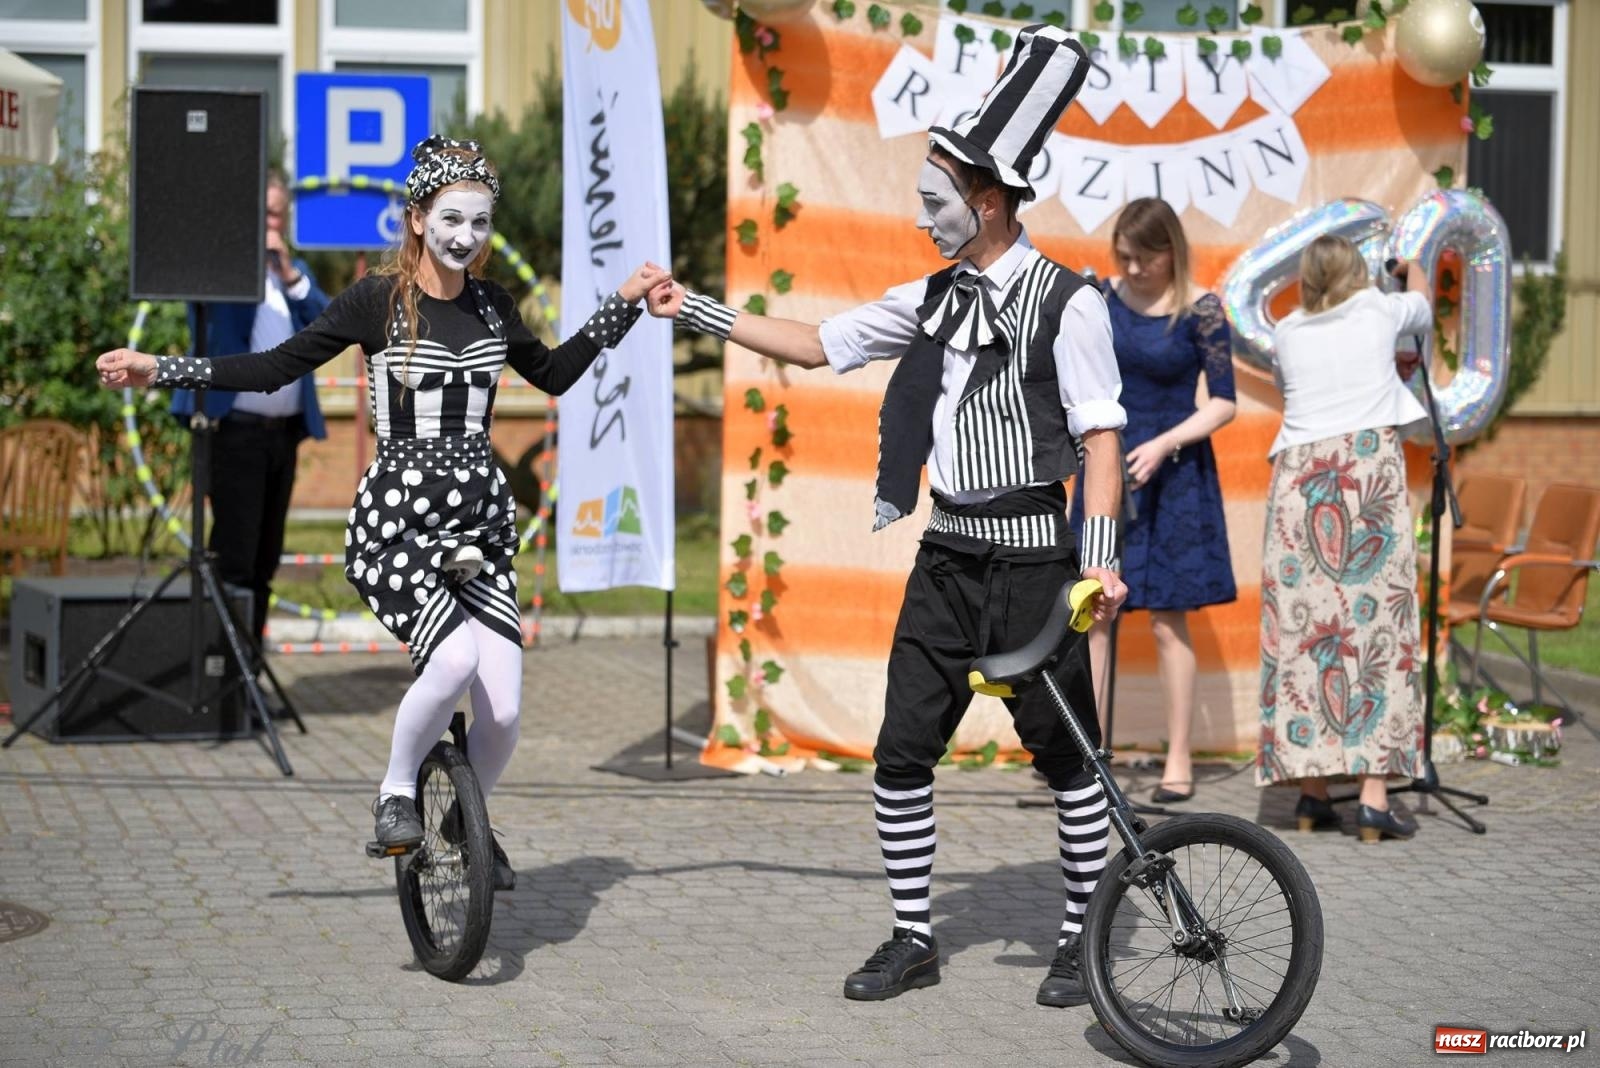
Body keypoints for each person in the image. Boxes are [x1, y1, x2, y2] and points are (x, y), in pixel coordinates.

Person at [650, 25, 1128, 1008]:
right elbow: (817, 345)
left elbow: (1106, 440)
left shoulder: (1068, 304)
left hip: (1036, 566)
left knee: (1066, 758)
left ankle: (1082, 932)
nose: (922, 214)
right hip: (947, 558)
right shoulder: (929, 296)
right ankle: (913, 934)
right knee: (902, 752)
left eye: (936, 196)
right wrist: (689, 307)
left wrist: (1102, 567)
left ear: (986, 200)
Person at [98, 136, 672, 887]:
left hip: (477, 528)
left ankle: (467, 821)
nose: (466, 236)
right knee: (455, 659)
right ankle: (394, 792)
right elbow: (275, 366)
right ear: (416, 218)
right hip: (397, 526)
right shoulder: (376, 301)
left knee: (503, 714)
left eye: (480, 222)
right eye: (451, 218)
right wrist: (160, 368)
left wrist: (624, 305)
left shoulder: (495, 304)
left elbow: (556, 373)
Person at [1255, 234, 1432, 843]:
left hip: (1301, 477)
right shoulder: (1383, 309)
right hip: (1363, 468)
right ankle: (1375, 799)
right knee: (1376, 632)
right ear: (1359, 272)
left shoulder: (1286, 330)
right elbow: (1424, 305)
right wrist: (1409, 272)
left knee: (1308, 635)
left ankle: (1311, 793)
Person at [1072, 198, 1237, 804]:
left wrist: (1166, 442)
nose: (1134, 268)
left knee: (1170, 621)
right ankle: (1087, 759)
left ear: (1173, 251)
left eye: (1146, 257)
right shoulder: (1099, 299)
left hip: (1176, 479)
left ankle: (1178, 761)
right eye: (1125, 257)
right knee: (1093, 615)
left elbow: (1224, 400)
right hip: (1105, 471)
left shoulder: (1203, 311)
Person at [169, 167, 330, 648]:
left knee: (266, 558)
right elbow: (199, 311)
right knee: (235, 555)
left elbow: (328, 322)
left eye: (278, 214)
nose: (271, 224)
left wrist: (289, 273)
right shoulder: (222, 269)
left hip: (281, 437)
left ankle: (250, 668)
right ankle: (225, 674)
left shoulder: (293, 277)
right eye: (262, 213)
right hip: (234, 430)